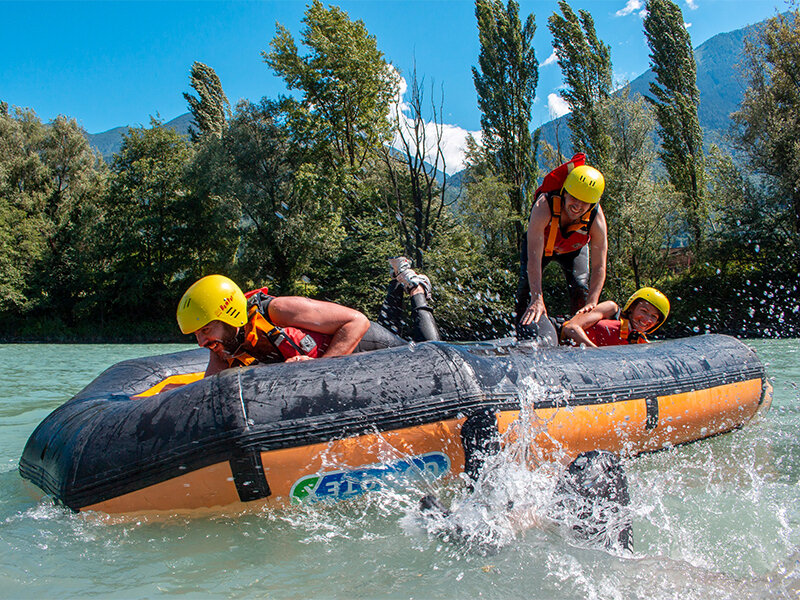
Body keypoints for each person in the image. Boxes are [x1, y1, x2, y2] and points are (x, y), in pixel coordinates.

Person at [176, 257, 440, 377]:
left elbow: (356, 321)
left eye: (205, 330)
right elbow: (212, 385)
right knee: (394, 327)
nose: (201, 341)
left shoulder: (277, 310)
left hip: (364, 341)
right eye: (197, 334)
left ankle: (416, 288)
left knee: (431, 352)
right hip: (351, 351)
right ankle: (396, 281)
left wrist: (319, 368)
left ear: (229, 317)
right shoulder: (223, 345)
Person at [515, 154, 608, 346]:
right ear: (565, 192)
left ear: (592, 204)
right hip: (540, 250)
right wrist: (537, 298)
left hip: (573, 250)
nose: (577, 206)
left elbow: (599, 265)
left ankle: (576, 336)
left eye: (584, 202)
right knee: (527, 289)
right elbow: (533, 260)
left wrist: (593, 300)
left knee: (580, 287)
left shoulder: (596, 218)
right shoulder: (543, 206)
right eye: (574, 198)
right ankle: (523, 336)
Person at [560, 287, 670, 348]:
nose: (646, 320)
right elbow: (571, 327)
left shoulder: (641, 343)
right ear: (631, 308)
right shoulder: (611, 309)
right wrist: (597, 354)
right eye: (644, 311)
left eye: (653, 317)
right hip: (555, 333)